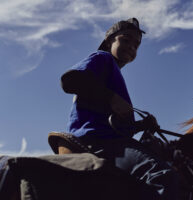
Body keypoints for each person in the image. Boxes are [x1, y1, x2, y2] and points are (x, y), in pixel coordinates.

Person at [53, 18, 181, 200]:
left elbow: (118, 127)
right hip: (97, 140)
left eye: (136, 45)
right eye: (126, 40)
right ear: (108, 42)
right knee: (161, 174)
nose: (131, 47)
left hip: (109, 140)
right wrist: (111, 97)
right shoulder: (101, 58)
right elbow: (69, 81)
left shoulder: (112, 72)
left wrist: (142, 125)